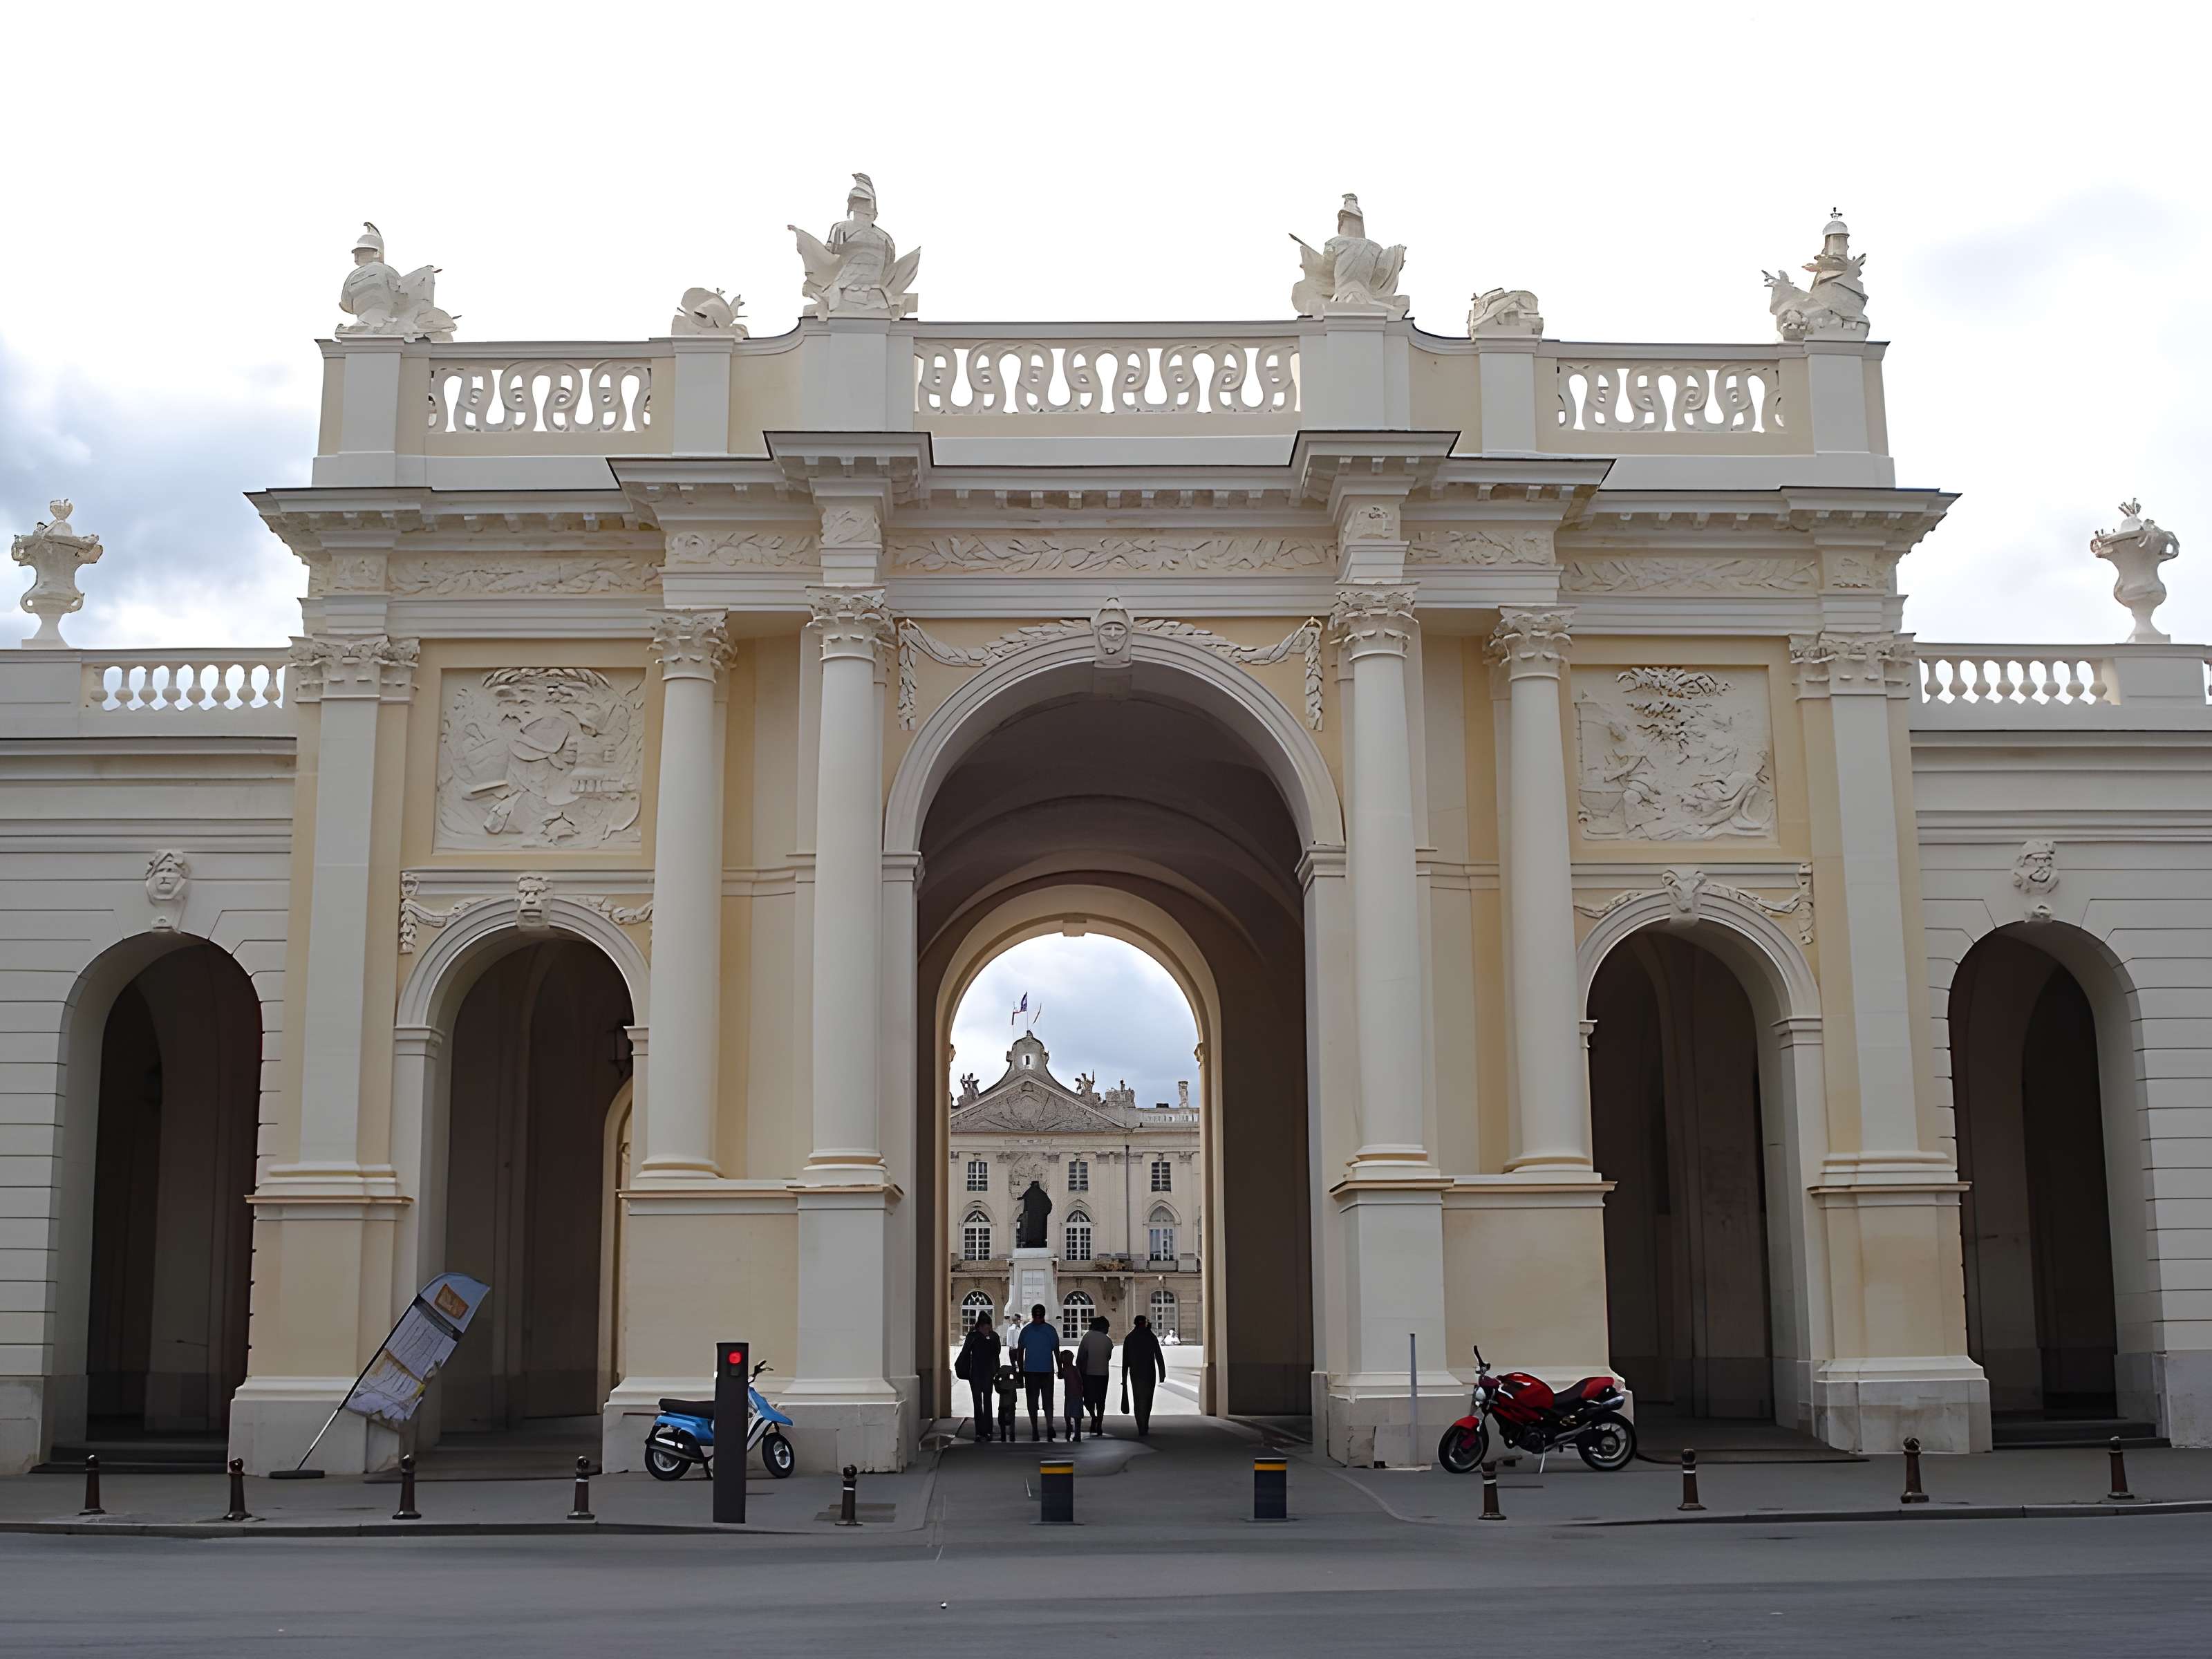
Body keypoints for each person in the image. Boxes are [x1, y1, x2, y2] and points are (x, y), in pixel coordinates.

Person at [1015, 1304, 1060, 1441]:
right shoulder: (1050, 1331)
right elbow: (1056, 1352)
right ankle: (1041, 1427)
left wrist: (1021, 1369)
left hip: (1036, 1371)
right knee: (1038, 1402)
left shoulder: (1026, 1331)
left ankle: (1046, 1427)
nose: (1038, 1318)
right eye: (1037, 1316)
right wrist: (1021, 1369)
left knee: (1040, 1401)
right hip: (1038, 1371)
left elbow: (1020, 1352)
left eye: (1038, 1316)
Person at [957, 1311, 1002, 1442]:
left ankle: (986, 1430)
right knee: (979, 1402)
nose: (989, 1330)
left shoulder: (991, 1337)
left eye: (990, 1328)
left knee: (986, 1401)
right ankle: (981, 1431)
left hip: (984, 1373)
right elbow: (965, 1352)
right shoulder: (974, 1337)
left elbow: (997, 1352)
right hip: (977, 1373)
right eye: (987, 1328)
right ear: (981, 1326)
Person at [1122, 1314, 1168, 1436]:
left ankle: (1140, 1425)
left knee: (1137, 1399)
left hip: (1135, 1373)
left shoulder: (1130, 1337)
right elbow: (1158, 1355)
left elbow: (1125, 1360)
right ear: (1145, 1323)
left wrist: (1124, 1377)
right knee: (1148, 1399)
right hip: (1149, 1372)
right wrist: (1162, 1374)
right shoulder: (1150, 1336)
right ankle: (1145, 1422)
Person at [1077, 1315, 1115, 1434]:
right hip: (1103, 1373)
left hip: (1088, 1373)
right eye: (1108, 1327)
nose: (1108, 1329)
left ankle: (1094, 1417)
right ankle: (1099, 1422)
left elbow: (1081, 1357)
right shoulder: (1108, 1341)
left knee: (1088, 1399)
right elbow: (1108, 1357)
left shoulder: (1087, 1337)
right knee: (1101, 1401)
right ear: (1103, 1327)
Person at [1056, 1348, 1085, 1443]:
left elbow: (1060, 1376)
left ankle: (1069, 1427)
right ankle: (1077, 1433)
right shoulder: (1075, 1369)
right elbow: (1080, 1381)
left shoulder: (1065, 1370)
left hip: (1070, 1395)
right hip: (1078, 1395)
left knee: (1068, 1414)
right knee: (1077, 1417)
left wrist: (1059, 1365)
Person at [993, 1363, 1019, 1442]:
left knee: (1002, 1419)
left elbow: (997, 1387)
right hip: (1012, 1401)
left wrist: (996, 1380)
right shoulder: (1012, 1383)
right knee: (1012, 1417)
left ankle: (1003, 1435)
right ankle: (1012, 1434)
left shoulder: (1002, 1384)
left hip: (1003, 1402)